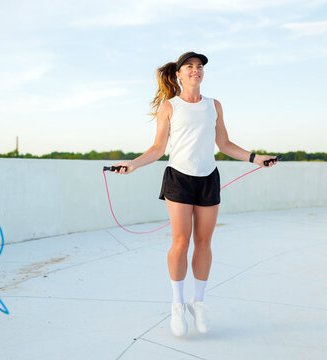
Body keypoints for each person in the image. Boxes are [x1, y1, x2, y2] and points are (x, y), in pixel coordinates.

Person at [113, 51, 279, 337]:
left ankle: (198, 303)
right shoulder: (169, 107)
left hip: (208, 179)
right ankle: (177, 305)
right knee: (181, 241)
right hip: (179, 178)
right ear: (178, 74)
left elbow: (224, 144)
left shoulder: (214, 105)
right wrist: (133, 164)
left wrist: (255, 157)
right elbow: (157, 149)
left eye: (199, 66)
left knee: (204, 242)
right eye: (189, 66)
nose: (195, 70)